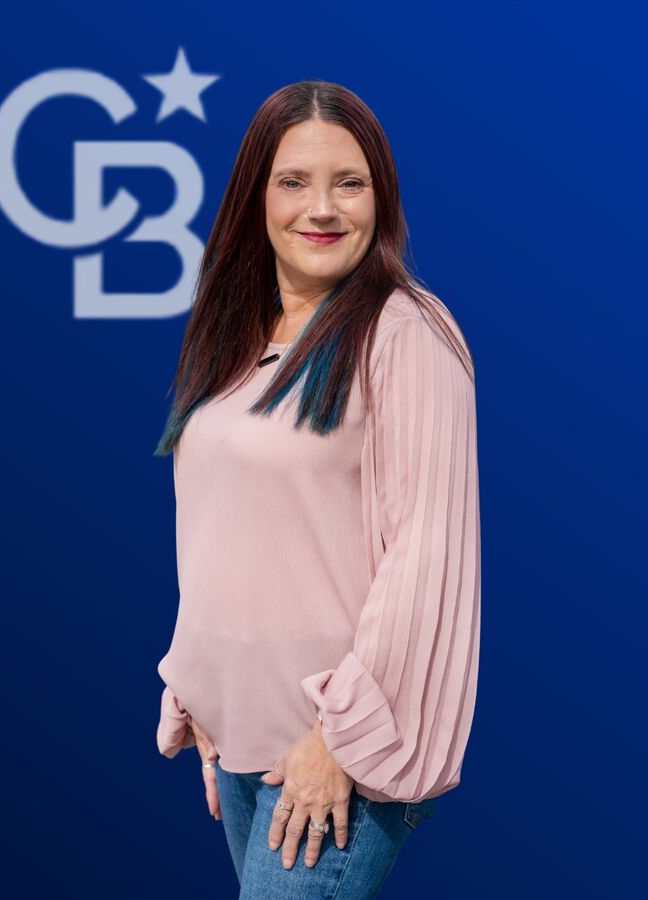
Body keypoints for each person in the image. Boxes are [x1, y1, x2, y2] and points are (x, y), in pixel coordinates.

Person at [152, 79, 481, 899]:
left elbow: (425, 557)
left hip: (337, 754)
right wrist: (200, 691)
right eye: (294, 181)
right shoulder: (236, 336)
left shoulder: (406, 335)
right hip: (241, 740)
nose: (323, 209)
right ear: (255, 196)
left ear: (382, 197)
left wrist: (337, 741)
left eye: (350, 183)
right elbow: (223, 525)